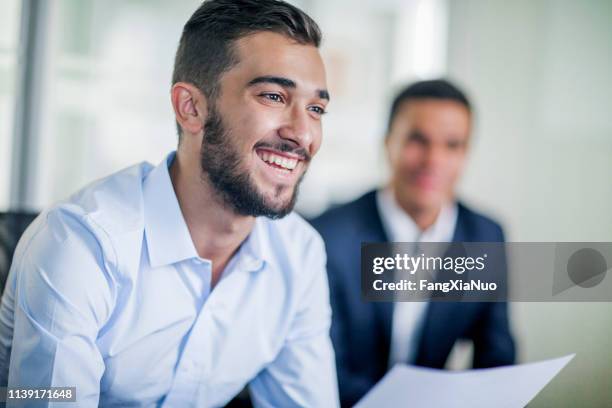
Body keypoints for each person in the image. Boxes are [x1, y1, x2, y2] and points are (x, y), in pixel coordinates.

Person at [0, 0, 339, 406]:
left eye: (316, 108)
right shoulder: (81, 243)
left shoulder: (299, 255)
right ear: (191, 108)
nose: (304, 134)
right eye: (272, 96)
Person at [311, 79, 516, 407]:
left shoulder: (485, 236)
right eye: (417, 140)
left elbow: (497, 356)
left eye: (453, 145)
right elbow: (323, 369)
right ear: (387, 142)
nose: (433, 160)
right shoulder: (327, 237)